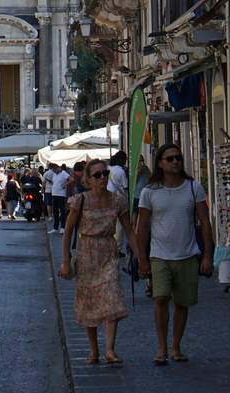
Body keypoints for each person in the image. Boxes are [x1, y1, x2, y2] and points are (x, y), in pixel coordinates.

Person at [133, 145, 212, 366]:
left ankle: (175, 346)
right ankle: (161, 348)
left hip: (187, 254)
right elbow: (142, 227)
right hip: (159, 255)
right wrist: (142, 259)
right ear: (160, 163)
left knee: (182, 303)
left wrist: (208, 255)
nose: (175, 162)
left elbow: (205, 222)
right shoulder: (150, 191)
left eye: (178, 158)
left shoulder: (193, 187)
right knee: (160, 299)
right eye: (170, 159)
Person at [60, 159, 134, 366]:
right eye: (98, 175)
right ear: (88, 180)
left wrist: (141, 258)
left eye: (105, 174)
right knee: (89, 302)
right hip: (87, 254)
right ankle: (94, 350)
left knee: (112, 297)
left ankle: (110, 350)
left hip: (109, 253)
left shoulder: (117, 201)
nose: (103, 178)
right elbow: (67, 232)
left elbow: (129, 231)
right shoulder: (80, 200)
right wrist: (65, 261)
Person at [50, 163, 72, 232]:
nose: (54, 172)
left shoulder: (63, 173)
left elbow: (71, 179)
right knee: (55, 211)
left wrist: (65, 184)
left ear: (58, 168)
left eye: (54, 170)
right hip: (54, 194)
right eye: (53, 170)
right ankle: (55, 227)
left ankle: (63, 227)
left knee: (62, 211)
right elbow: (54, 182)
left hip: (61, 195)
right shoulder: (54, 174)